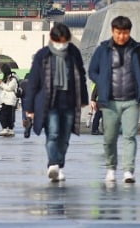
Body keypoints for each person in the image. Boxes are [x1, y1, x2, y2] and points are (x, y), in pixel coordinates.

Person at [88, 15, 140, 184]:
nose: (121, 36)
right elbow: (92, 70)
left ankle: (128, 171)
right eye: (118, 33)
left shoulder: (138, 49)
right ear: (112, 31)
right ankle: (110, 168)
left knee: (130, 136)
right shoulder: (103, 49)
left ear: (129, 32)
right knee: (109, 138)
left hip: (131, 100)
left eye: (125, 33)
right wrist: (102, 83)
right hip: (109, 101)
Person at [24, 22, 87, 182]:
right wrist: (29, 107)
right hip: (48, 102)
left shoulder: (74, 53)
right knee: (53, 133)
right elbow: (33, 81)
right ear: (52, 39)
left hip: (69, 101)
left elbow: (81, 75)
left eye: (64, 41)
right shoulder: (43, 55)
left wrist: (84, 98)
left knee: (65, 137)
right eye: (59, 41)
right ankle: (53, 164)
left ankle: (59, 165)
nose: (61, 45)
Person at [0, 65, 19, 137]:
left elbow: (9, 88)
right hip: (5, 99)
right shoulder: (7, 78)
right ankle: (9, 128)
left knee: (4, 114)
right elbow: (4, 87)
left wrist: (1, 84)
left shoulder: (13, 79)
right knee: (9, 115)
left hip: (10, 99)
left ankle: (6, 128)